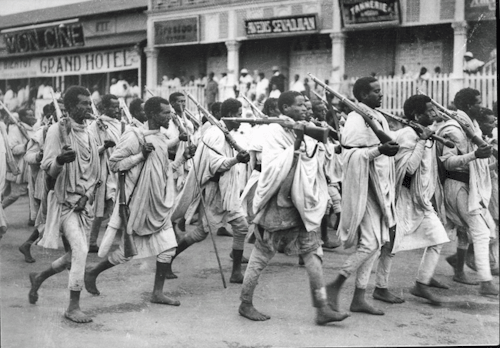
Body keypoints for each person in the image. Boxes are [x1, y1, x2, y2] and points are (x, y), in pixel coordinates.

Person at [238, 90, 349, 325]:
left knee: (313, 254)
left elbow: (317, 158)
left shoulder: (303, 126)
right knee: (261, 255)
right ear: (285, 108)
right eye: (299, 105)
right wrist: (297, 140)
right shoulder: (273, 131)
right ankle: (245, 303)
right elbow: (274, 168)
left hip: (302, 204)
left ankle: (321, 308)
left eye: (305, 104)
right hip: (279, 204)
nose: (305, 108)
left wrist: (310, 136)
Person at [84, 96, 196, 306]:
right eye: (165, 112)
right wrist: (140, 157)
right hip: (139, 204)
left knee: (168, 248)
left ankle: (157, 293)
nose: (170, 116)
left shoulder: (161, 138)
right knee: (127, 253)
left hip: (158, 205)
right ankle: (92, 272)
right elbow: (114, 164)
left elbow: (164, 171)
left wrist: (183, 158)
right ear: (152, 115)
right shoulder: (135, 136)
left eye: (170, 112)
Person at [327, 77, 401, 316]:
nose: (381, 95)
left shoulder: (376, 116)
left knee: (377, 244)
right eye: (376, 92)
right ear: (362, 94)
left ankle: (360, 296)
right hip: (365, 187)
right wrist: (379, 150)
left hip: (383, 187)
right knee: (370, 243)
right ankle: (335, 285)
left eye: (381, 91)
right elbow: (349, 156)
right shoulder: (356, 119)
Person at [29, 86, 100, 323]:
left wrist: (87, 196)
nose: (88, 107)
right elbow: (48, 171)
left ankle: (39, 277)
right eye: (83, 103)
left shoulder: (90, 133)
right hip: (63, 203)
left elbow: (95, 173)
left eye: (89, 103)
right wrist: (60, 160)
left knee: (73, 256)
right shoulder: (55, 132)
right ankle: (73, 307)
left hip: (84, 203)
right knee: (81, 250)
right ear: (69, 107)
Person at [170, 98, 251, 283]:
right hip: (215, 191)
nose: (241, 118)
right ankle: (167, 259)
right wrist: (236, 160)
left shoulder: (225, 132)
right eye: (239, 114)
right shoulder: (216, 133)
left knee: (241, 227)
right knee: (201, 232)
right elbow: (215, 165)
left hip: (226, 190)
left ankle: (236, 272)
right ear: (230, 115)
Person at [386, 95, 451, 304]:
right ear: (416, 115)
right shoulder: (406, 135)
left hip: (421, 200)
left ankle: (421, 284)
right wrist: (422, 141)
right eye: (429, 111)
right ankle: (379, 287)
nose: (434, 113)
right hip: (403, 198)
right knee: (391, 245)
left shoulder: (425, 133)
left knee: (438, 238)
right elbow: (407, 174)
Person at [437, 88, 497, 295]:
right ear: (470, 106)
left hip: (471, 186)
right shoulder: (453, 129)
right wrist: (474, 155)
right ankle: (486, 281)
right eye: (478, 102)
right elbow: (449, 163)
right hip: (457, 185)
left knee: (464, 232)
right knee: (481, 232)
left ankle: (455, 269)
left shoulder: (472, 125)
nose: (481, 105)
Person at [18, 104, 55, 262]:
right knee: (48, 216)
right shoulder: (43, 132)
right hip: (46, 180)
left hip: (67, 180)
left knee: (54, 217)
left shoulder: (76, 130)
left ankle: (27, 244)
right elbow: (28, 156)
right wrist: (39, 156)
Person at [87, 94, 121, 253]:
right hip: (101, 170)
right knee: (99, 209)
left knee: (117, 206)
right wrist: (104, 147)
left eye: (117, 106)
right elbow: (89, 150)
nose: (116, 109)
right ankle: (92, 242)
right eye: (113, 107)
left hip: (117, 169)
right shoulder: (95, 125)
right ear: (104, 108)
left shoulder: (121, 125)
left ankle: (123, 240)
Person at [3, 109, 38, 214]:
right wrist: (26, 146)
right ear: (22, 118)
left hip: (32, 165)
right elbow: (12, 149)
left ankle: (32, 217)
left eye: (32, 115)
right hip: (20, 167)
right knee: (15, 194)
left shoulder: (34, 129)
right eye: (29, 115)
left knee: (33, 192)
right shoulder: (15, 130)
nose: (32, 117)